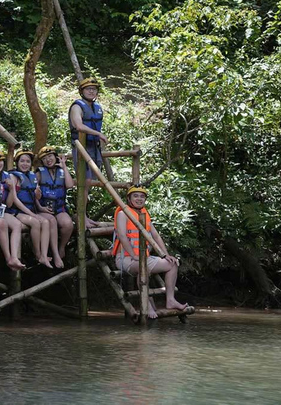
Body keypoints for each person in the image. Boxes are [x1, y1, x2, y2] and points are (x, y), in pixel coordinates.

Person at [112, 186, 187, 318]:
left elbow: (156, 236)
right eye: (135, 196)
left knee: (173, 263)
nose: (139, 199)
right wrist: (135, 256)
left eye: (142, 197)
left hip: (144, 258)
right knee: (143, 268)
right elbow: (122, 236)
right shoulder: (122, 214)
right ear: (129, 198)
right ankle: (145, 305)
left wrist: (165, 254)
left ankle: (170, 300)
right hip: (125, 258)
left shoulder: (145, 214)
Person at [68, 77, 109, 229]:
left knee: (88, 183)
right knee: (83, 182)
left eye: (94, 89)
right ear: (82, 91)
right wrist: (98, 134)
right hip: (81, 147)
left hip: (94, 147)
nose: (91, 91)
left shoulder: (97, 107)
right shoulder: (77, 107)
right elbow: (78, 125)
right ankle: (80, 216)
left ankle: (83, 214)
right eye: (88, 89)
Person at [7, 149, 53, 268]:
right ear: (17, 162)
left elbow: (35, 197)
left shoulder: (32, 176)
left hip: (30, 210)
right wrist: (32, 214)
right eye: (22, 161)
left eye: (28, 161)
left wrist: (40, 207)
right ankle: (37, 254)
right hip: (16, 211)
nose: (25, 163)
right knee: (36, 223)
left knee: (46, 222)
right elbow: (15, 201)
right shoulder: (13, 176)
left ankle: (44, 254)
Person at [36, 146, 75, 263]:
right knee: (51, 220)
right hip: (43, 208)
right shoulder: (39, 173)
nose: (48, 160)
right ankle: (51, 253)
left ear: (55, 157)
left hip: (59, 207)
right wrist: (40, 207)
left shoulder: (61, 171)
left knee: (68, 224)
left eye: (50, 156)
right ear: (42, 161)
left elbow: (69, 185)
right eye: (44, 158)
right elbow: (33, 193)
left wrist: (64, 166)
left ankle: (61, 247)